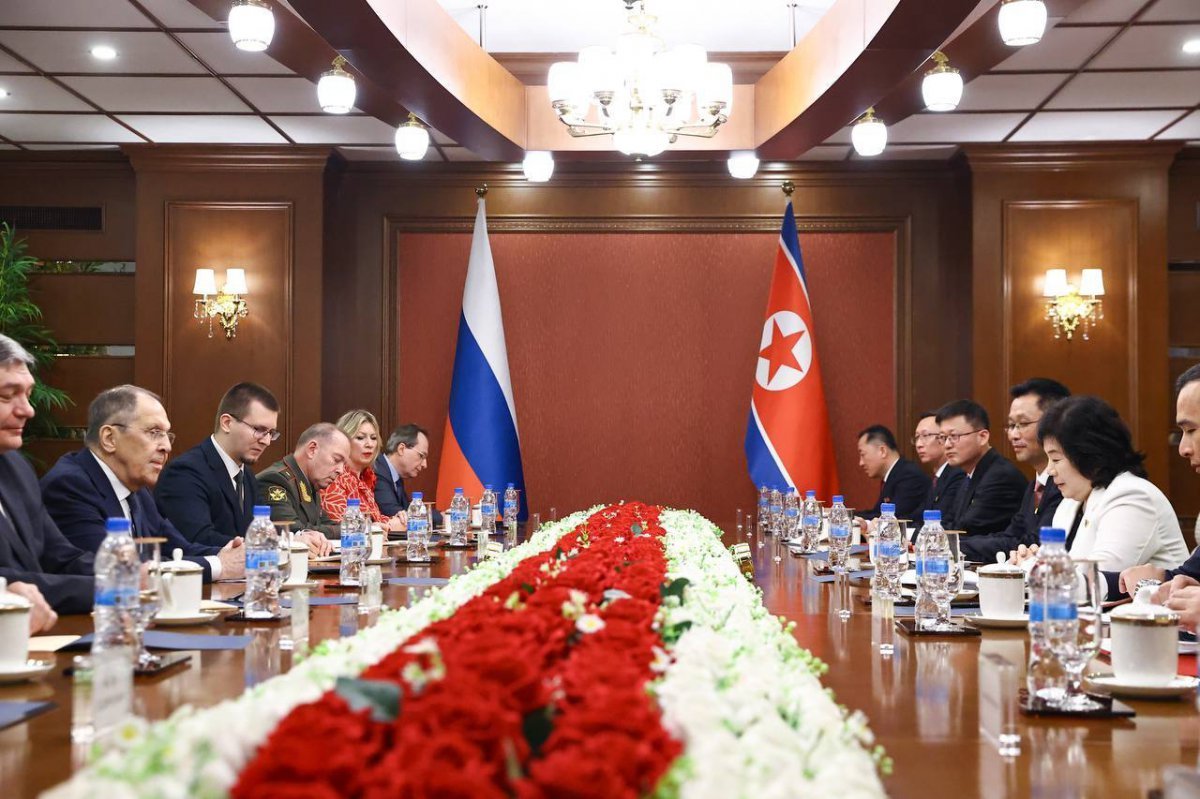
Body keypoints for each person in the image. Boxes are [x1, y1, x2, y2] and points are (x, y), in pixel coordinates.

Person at [40, 385, 246, 583]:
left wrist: (228, 554)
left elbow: (179, 550)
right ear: (109, 438)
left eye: (167, 435)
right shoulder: (69, 486)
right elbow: (117, 570)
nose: (166, 446)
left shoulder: (137, 489)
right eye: (154, 432)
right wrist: (219, 565)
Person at [0, 333, 94, 614]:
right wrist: (109, 589)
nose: (28, 410)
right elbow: (9, 581)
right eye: (7, 396)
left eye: (28, 394)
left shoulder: (16, 467)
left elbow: (59, 557)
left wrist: (127, 575)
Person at [1038, 396, 1188, 573]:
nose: (1049, 470)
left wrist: (1035, 568)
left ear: (1090, 454)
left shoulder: (1132, 496)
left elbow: (1099, 577)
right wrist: (1031, 560)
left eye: (1056, 459)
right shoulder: (1070, 503)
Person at [1120, 365, 1200, 622]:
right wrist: (1159, 579)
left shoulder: (1131, 495)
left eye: (1192, 430)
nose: (1183, 449)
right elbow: (1188, 576)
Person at [959, 378, 1070, 563]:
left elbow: (1034, 543)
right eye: (1011, 426)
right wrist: (955, 545)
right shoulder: (1034, 486)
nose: (1013, 435)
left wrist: (955, 546)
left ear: (1054, 424)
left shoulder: (1065, 484)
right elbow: (1011, 537)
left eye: (1023, 424)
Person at [156, 382, 279, 546]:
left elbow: (262, 529)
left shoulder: (245, 474)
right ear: (227, 423)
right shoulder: (185, 472)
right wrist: (264, 545)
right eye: (259, 429)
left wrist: (293, 538)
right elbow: (198, 538)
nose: (267, 441)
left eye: (271, 433)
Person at [937, 399, 1026, 537]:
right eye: (943, 437)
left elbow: (966, 530)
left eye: (954, 436)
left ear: (982, 437)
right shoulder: (969, 474)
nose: (947, 445)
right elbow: (950, 522)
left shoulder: (1000, 477)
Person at [256, 423, 349, 547]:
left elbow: (325, 523)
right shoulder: (275, 480)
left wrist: (356, 528)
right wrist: (346, 530)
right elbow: (292, 530)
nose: (341, 470)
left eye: (344, 464)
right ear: (312, 450)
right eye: (336, 460)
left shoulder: (310, 482)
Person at [320, 410, 405, 533]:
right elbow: (341, 526)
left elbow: (375, 520)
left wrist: (398, 519)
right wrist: (390, 525)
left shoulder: (366, 478)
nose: (369, 444)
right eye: (360, 438)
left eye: (374, 438)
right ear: (344, 441)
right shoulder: (334, 477)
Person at [855, 424, 929, 522]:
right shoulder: (893, 475)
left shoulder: (909, 476)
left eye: (863, 454)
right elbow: (877, 512)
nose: (861, 463)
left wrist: (851, 517)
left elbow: (891, 517)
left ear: (882, 451)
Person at [373, 424, 442, 525]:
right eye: (421, 456)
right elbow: (395, 513)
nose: (425, 465)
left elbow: (407, 510)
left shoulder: (396, 477)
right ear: (401, 449)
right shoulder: (378, 471)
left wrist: (441, 515)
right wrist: (441, 517)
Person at [911, 410, 966, 536]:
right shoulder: (937, 478)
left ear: (943, 438)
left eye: (925, 436)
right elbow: (918, 517)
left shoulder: (957, 474)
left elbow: (944, 523)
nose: (919, 444)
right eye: (917, 437)